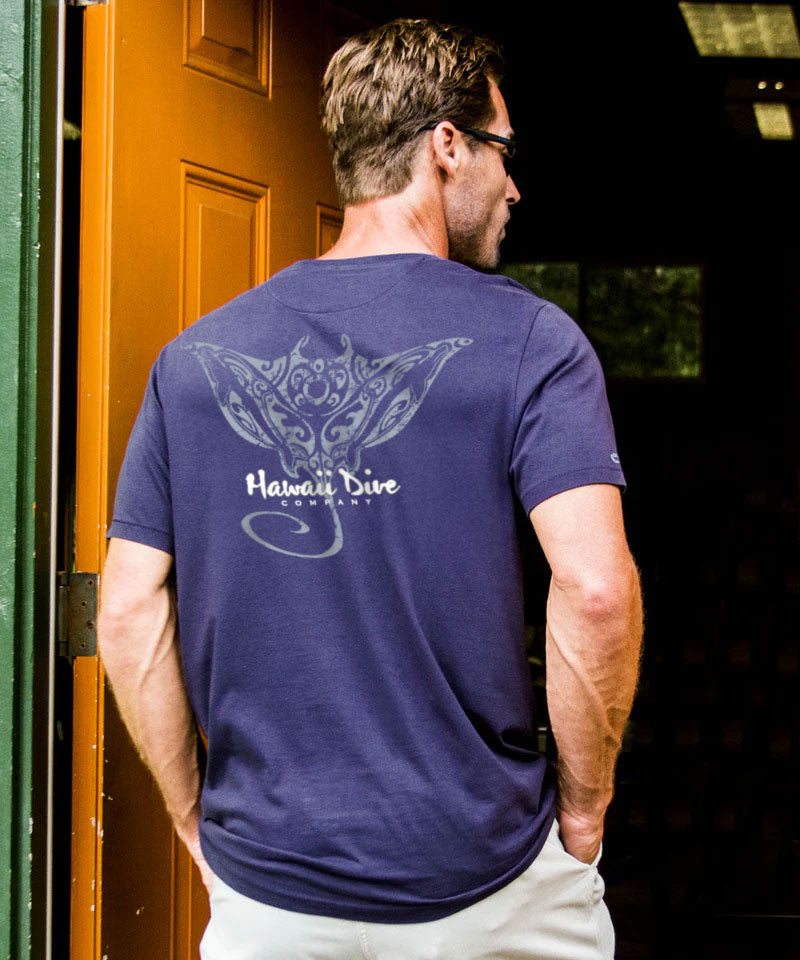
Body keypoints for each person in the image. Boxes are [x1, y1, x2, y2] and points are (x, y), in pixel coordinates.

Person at [99, 17, 643, 960]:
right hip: (485, 879)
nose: (513, 185)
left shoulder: (193, 361)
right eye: (502, 152)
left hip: (270, 884)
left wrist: (196, 820)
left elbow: (128, 607)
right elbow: (594, 591)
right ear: (446, 148)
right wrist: (586, 812)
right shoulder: (531, 344)